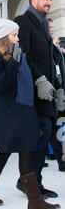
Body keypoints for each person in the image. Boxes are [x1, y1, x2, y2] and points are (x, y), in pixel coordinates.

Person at [0, 18, 60, 209]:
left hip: (23, 109)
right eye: (14, 35)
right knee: (15, 151)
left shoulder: (20, 52)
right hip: (9, 112)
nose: (18, 38)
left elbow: (32, 70)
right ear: (3, 37)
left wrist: (43, 81)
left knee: (16, 151)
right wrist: (13, 63)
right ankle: (34, 201)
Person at [14, 0, 65, 199]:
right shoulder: (22, 21)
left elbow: (52, 61)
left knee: (43, 136)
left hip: (48, 92)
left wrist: (59, 88)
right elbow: (22, 54)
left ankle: (31, 181)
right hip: (31, 91)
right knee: (36, 137)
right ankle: (29, 182)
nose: (49, 2)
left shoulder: (45, 24)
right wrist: (39, 79)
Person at [46, 18, 65, 171]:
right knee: (48, 130)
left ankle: (61, 161)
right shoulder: (39, 48)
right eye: (48, 27)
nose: (51, 29)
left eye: (52, 27)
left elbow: (60, 72)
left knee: (55, 129)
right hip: (44, 97)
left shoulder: (54, 49)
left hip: (58, 95)